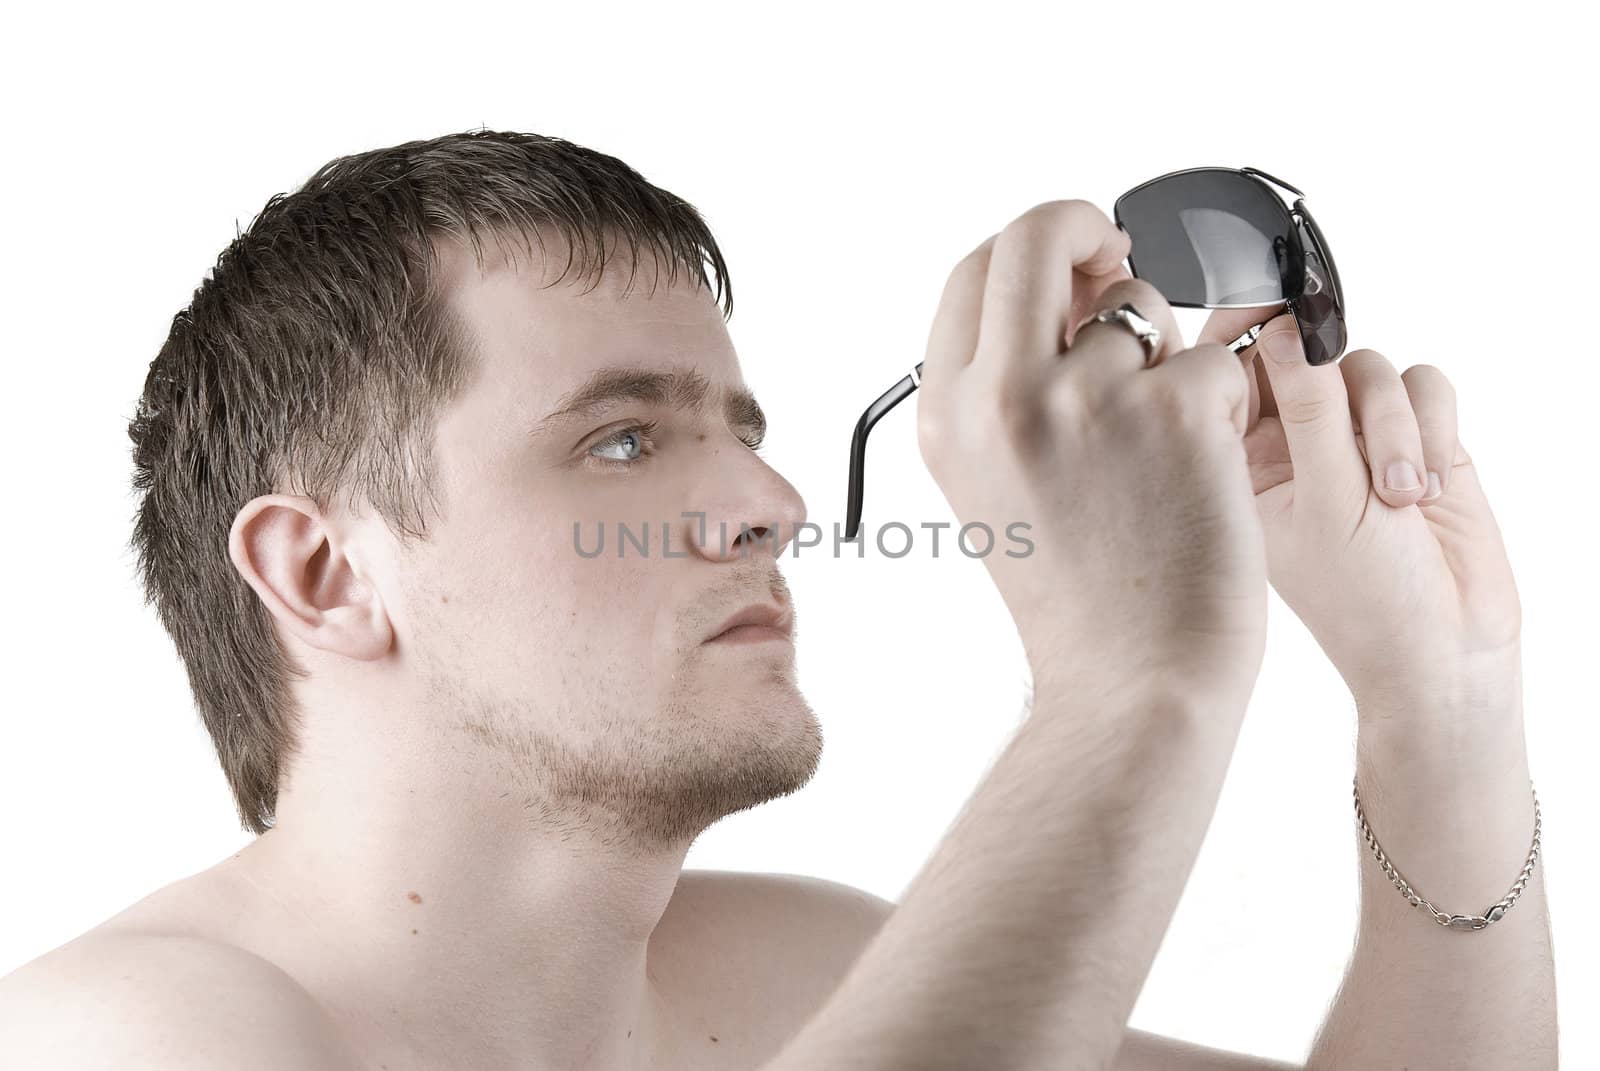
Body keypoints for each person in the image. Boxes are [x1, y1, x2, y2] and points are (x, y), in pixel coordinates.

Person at [0, 130, 1554, 1070]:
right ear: (325, 575)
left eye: (740, 432)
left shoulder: (791, 980)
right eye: (620, 437)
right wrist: (1129, 677)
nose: (775, 505)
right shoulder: (129, 1040)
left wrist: (1440, 711)